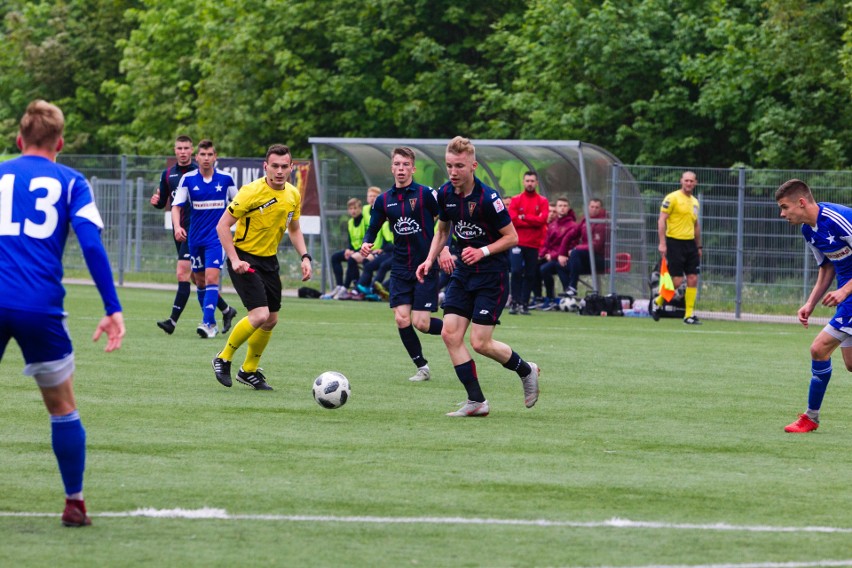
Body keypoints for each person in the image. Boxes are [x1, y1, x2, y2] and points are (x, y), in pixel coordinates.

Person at [0, 100, 126, 527]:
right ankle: (74, 503)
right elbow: (91, 244)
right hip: (41, 307)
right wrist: (112, 308)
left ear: (19, 140)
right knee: (61, 407)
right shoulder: (71, 181)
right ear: (61, 143)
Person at [416, 136, 540, 417]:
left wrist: (482, 251)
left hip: (491, 275)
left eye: (459, 166)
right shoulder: (446, 194)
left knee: (480, 342)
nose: (453, 172)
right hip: (463, 273)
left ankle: (526, 370)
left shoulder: (488, 199)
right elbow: (442, 230)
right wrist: (432, 257)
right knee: (450, 334)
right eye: (449, 165)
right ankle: (477, 401)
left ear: (473, 166)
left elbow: (512, 237)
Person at [211, 144, 312, 390]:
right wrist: (235, 260)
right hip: (245, 258)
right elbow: (222, 226)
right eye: (274, 166)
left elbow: (294, 229)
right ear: (265, 166)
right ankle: (223, 358)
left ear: (291, 168)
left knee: (271, 320)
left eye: (284, 166)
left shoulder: (293, 194)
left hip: (269, 261)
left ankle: (249, 370)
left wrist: (305, 257)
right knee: (260, 315)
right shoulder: (250, 192)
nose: (279, 171)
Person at [360, 146, 447, 382]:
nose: (401, 169)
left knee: (422, 323)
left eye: (405, 165)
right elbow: (373, 227)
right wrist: (367, 243)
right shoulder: (384, 200)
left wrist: (445, 249)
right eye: (397, 164)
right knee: (401, 319)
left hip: (425, 266)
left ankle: (454, 328)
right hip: (399, 267)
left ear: (413, 168)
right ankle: (422, 367)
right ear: (392, 168)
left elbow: (446, 222)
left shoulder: (426, 194)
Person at [776, 179, 852, 433]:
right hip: (848, 297)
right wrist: (810, 303)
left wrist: (844, 290)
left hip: (849, 296)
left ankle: (811, 417)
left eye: (785, 207)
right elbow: (827, 267)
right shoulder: (808, 231)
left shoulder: (838, 219)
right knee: (851, 363)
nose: (782, 214)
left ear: (801, 202)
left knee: (819, 349)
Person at [151, 136, 238, 335]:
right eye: (203, 154)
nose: (206, 158)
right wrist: (176, 226)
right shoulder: (182, 178)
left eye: (210, 154)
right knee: (198, 280)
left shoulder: (225, 179)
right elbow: (172, 205)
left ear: (215, 156)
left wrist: (235, 228)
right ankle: (222, 313)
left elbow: (240, 205)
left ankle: (205, 323)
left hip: (216, 238)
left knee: (207, 277)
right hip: (192, 236)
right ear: (197, 157)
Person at [651, 171, 702, 324]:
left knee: (693, 278)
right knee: (677, 281)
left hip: (690, 243)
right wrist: (662, 242)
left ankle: (689, 315)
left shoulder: (694, 202)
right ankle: (658, 302)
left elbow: (696, 225)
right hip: (674, 242)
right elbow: (662, 220)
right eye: (686, 180)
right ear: (681, 181)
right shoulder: (672, 198)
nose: (689, 183)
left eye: (691, 181)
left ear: (695, 183)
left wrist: (699, 246)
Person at [508, 171, 550, 315]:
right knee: (516, 271)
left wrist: (524, 217)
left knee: (530, 274)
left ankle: (524, 303)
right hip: (517, 242)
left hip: (533, 244)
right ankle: (514, 302)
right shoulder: (516, 199)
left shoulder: (542, 201)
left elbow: (542, 220)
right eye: (527, 180)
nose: (530, 183)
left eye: (532, 181)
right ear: (523, 182)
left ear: (536, 183)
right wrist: (533, 220)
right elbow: (513, 219)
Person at [538, 196, 580, 308]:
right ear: (556, 208)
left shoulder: (573, 225)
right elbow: (546, 244)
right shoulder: (552, 225)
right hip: (552, 257)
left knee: (549, 268)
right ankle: (541, 298)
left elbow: (571, 245)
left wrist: (552, 255)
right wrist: (542, 254)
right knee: (533, 267)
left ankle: (558, 297)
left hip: (564, 258)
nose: (562, 208)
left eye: (565, 206)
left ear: (568, 208)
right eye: (560, 206)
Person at [562, 198, 609, 297]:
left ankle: (572, 287)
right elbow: (571, 235)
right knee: (559, 264)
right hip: (586, 256)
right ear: (588, 207)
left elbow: (596, 246)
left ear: (601, 209)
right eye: (592, 207)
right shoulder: (585, 219)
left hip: (600, 258)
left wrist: (577, 248)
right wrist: (562, 254)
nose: (594, 209)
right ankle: (568, 292)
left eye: (597, 207)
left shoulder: (603, 223)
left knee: (575, 253)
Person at [325, 197, 366, 299]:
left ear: (360, 208)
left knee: (352, 259)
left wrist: (355, 251)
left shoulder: (365, 221)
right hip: (354, 250)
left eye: (355, 208)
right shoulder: (350, 222)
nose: (353, 211)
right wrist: (349, 249)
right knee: (335, 257)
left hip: (364, 251)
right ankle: (339, 286)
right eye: (351, 209)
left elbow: (368, 238)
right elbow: (350, 240)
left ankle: (347, 288)